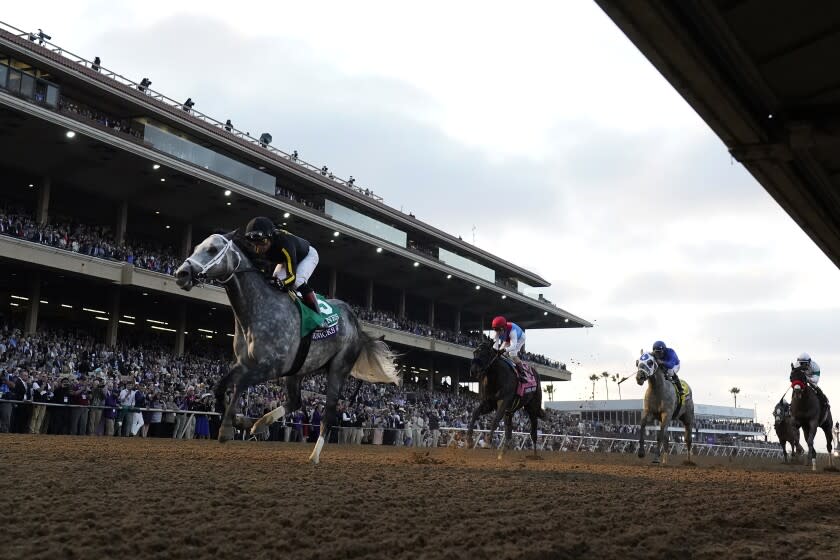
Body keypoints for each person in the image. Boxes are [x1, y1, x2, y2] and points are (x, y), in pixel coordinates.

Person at [244, 216, 320, 312]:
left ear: (271, 236)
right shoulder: (261, 246)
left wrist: (282, 283)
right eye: (254, 244)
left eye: (262, 242)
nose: (258, 249)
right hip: (283, 259)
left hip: (306, 255)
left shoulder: (285, 244)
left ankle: (317, 315)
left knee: (297, 281)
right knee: (275, 279)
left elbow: (292, 277)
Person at [491, 316, 529, 383]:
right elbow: (495, 346)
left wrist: (504, 350)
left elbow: (513, 346)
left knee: (512, 354)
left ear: (504, 327)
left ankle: (523, 373)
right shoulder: (497, 332)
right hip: (508, 339)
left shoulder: (512, 331)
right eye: (496, 330)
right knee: (499, 356)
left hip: (520, 338)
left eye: (499, 330)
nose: (498, 332)